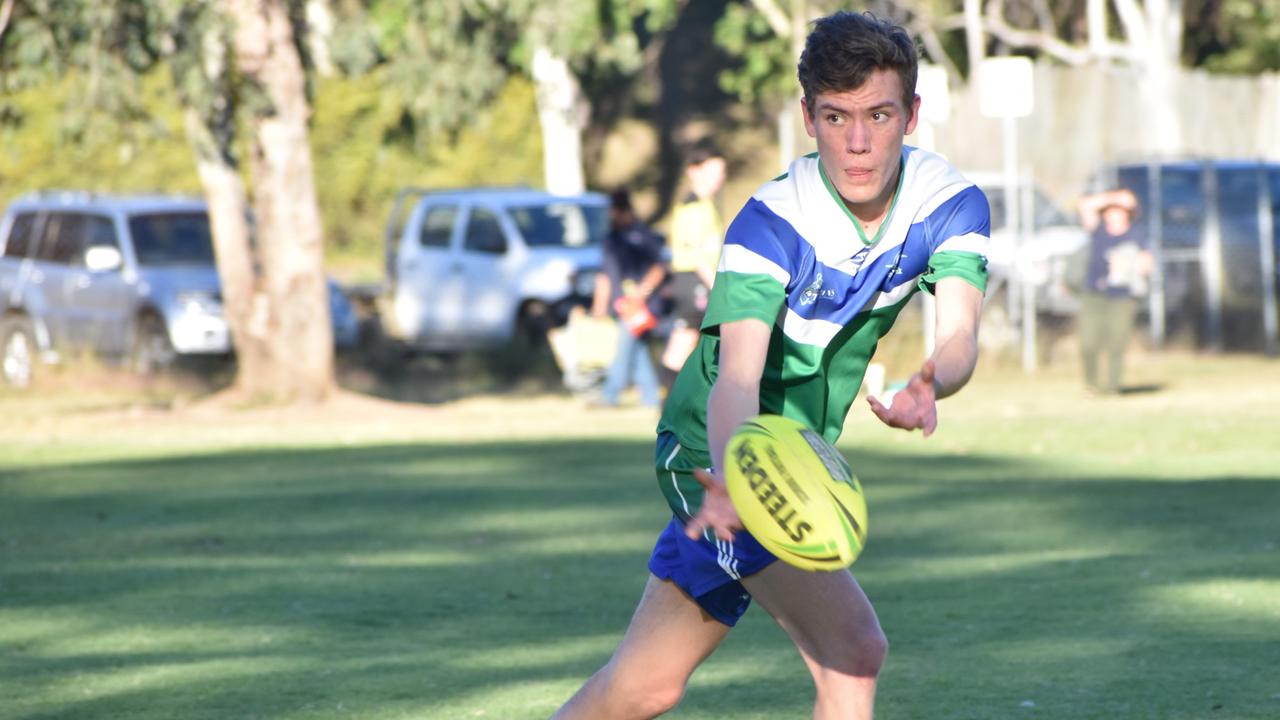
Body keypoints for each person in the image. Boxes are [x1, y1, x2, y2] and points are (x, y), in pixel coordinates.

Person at [552, 11, 989, 719]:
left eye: (878, 114)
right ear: (807, 119)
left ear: (912, 114)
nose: (857, 142)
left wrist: (934, 381)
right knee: (853, 651)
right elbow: (736, 378)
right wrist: (731, 479)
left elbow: (963, 330)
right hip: (714, 449)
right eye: (835, 115)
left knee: (643, 688)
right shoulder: (771, 224)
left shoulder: (948, 203)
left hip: (792, 452)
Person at [591, 189, 667, 409]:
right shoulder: (611, 239)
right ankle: (651, 397)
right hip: (621, 305)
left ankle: (610, 394)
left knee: (624, 349)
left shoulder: (642, 235)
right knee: (638, 350)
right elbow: (604, 274)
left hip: (641, 306)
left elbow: (659, 266)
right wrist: (599, 307)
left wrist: (640, 293)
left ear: (623, 211)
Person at [660, 143, 727, 390]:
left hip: (699, 280)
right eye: (713, 172)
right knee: (686, 341)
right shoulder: (693, 207)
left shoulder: (705, 205)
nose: (719, 178)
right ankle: (669, 402)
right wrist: (716, 287)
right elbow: (699, 255)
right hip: (696, 281)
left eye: (721, 172)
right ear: (694, 172)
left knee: (689, 341)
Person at [1073, 188, 1153, 395]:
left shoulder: (1136, 235)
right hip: (1094, 294)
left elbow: (1147, 264)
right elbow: (1084, 205)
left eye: (1118, 210)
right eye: (1110, 210)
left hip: (1122, 297)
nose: (1113, 213)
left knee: (1116, 343)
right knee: (1088, 343)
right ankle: (1091, 385)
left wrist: (1129, 267)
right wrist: (1114, 197)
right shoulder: (1098, 230)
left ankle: (1113, 387)